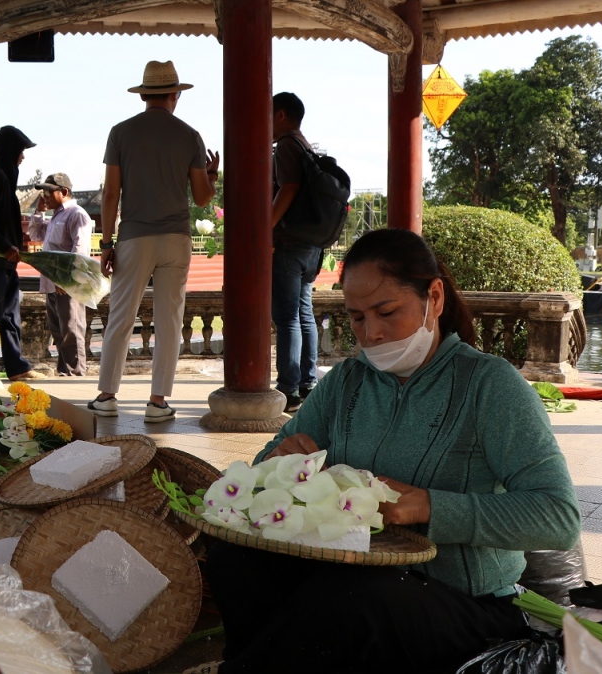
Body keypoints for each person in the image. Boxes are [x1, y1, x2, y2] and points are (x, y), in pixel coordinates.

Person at [196, 229, 580, 674]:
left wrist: (430, 507)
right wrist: (278, 462)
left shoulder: (490, 387)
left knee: (357, 597)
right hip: (347, 576)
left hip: (465, 606)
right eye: (357, 318)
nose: (372, 333)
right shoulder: (347, 382)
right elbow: (263, 469)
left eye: (387, 312)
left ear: (433, 298)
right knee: (235, 554)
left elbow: (559, 518)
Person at [88, 61, 219, 422]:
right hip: (176, 237)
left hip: (134, 236)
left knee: (121, 317)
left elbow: (111, 192)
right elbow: (203, 198)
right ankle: (158, 401)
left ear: (144, 95)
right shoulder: (190, 135)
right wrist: (212, 174)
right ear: (176, 95)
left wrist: (107, 241)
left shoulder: (120, 133)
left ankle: (106, 396)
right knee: (170, 319)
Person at [270, 92, 321, 413]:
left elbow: (288, 187)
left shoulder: (288, 145)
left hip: (290, 243)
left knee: (287, 316)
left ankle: (288, 387)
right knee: (304, 313)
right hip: (311, 243)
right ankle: (308, 381)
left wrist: (267, 225)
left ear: (281, 115)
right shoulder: (306, 146)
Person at [0, 125, 44, 382]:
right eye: (21, 151)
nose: (23, 156)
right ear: (11, 151)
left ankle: (16, 365)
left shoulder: (6, 181)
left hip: (7, 264)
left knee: (10, 315)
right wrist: (4, 246)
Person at [28, 173, 93, 376]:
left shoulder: (77, 214)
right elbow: (35, 234)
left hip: (67, 285)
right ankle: (65, 372)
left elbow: (79, 251)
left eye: (49, 192)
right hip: (51, 284)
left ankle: (76, 373)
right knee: (59, 332)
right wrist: (39, 211)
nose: (45, 196)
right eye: (44, 193)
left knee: (72, 330)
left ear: (64, 192)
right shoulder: (57, 215)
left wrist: (66, 280)